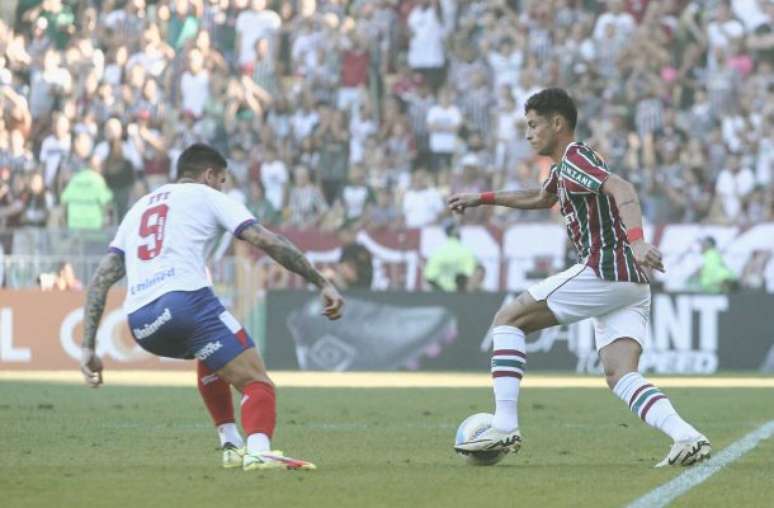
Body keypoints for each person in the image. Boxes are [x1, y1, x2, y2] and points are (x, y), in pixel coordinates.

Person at [448, 89, 710, 467]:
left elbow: (623, 188)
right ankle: (687, 436)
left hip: (606, 267)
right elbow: (540, 198)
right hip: (630, 284)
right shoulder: (563, 169)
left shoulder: (575, 157)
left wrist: (637, 242)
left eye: (534, 124)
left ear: (558, 123)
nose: (528, 133)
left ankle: (504, 424)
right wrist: (482, 198)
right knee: (620, 374)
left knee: (508, 320)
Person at [79, 143, 344, 471]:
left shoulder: (138, 209)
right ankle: (259, 450)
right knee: (257, 381)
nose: (223, 187)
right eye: (221, 180)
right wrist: (321, 282)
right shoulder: (207, 196)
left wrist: (88, 347)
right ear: (208, 175)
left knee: (210, 352)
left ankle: (231, 443)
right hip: (186, 301)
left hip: (142, 322)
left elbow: (101, 279)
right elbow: (268, 241)